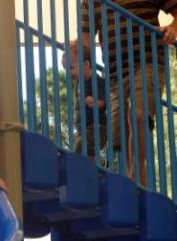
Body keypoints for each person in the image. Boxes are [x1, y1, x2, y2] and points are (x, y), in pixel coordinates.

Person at [81, 0, 177, 185]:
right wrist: (79, 58)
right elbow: (86, 38)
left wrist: (173, 27)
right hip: (115, 71)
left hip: (148, 60)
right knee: (123, 135)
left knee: (139, 115)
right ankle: (138, 187)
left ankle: (134, 178)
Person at [62, 40, 107, 158]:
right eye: (66, 70)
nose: (68, 73)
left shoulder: (97, 81)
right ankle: (88, 173)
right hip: (83, 129)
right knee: (80, 151)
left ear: (86, 65)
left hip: (97, 127)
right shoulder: (79, 83)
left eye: (71, 68)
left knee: (81, 146)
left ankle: (88, 173)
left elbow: (104, 101)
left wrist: (95, 102)